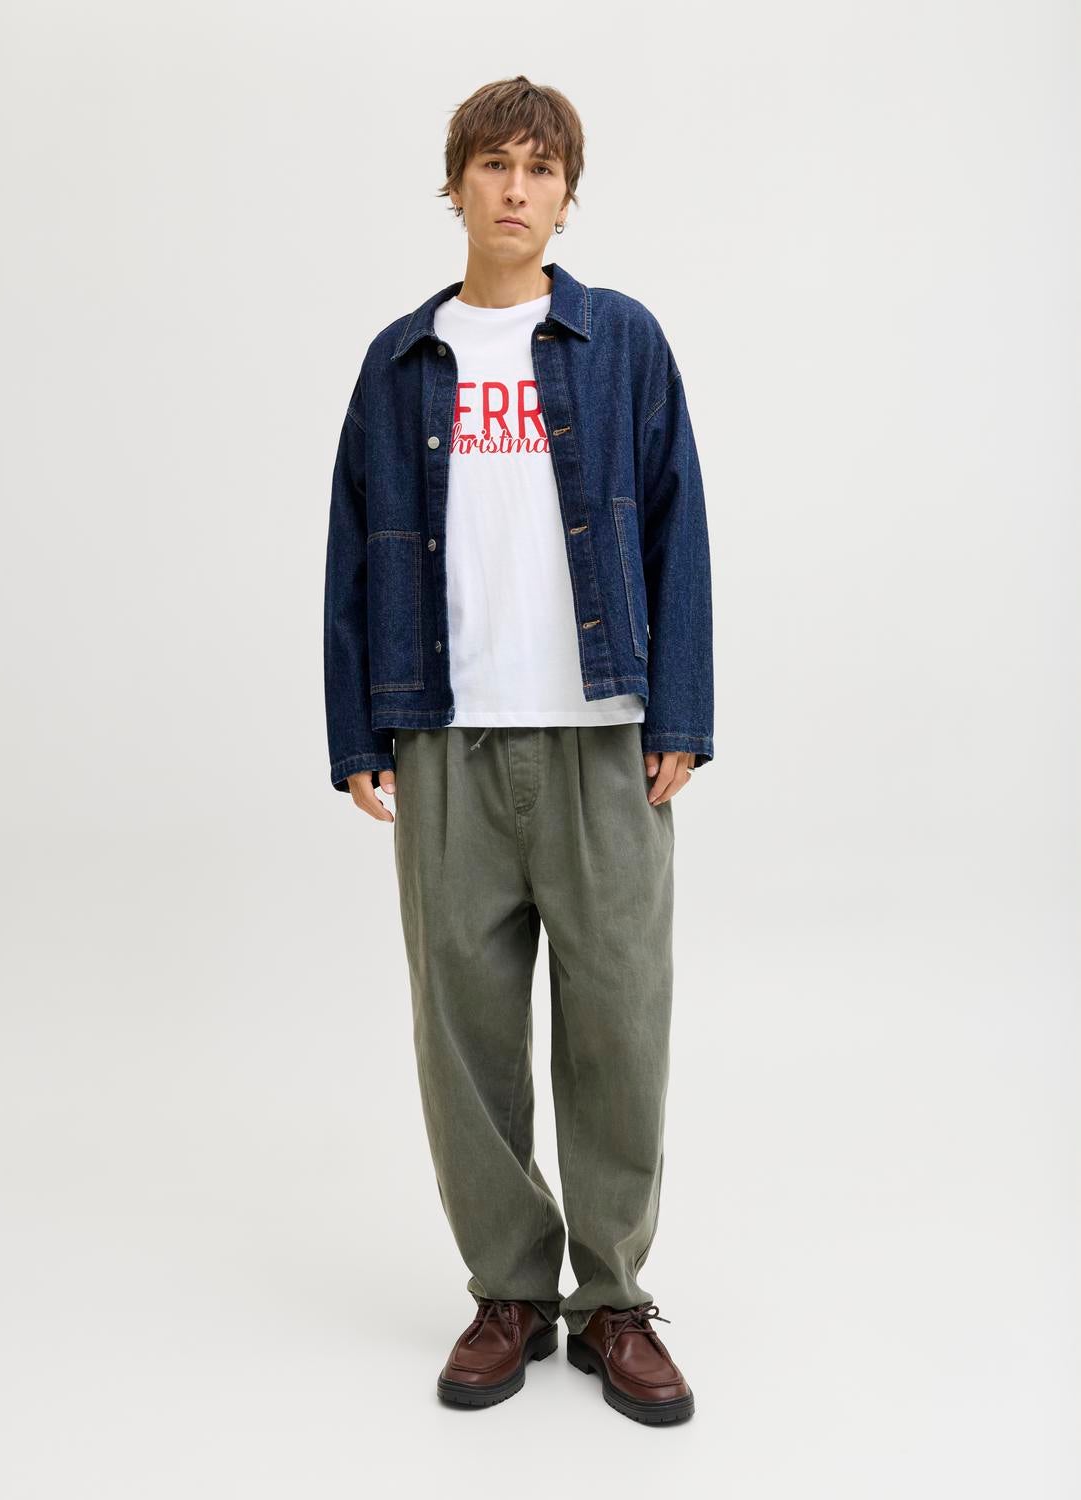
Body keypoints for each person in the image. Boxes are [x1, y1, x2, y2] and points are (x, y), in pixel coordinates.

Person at [323, 75, 713, 1426]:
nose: (514, 188)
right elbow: (351, 544)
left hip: (606, 741)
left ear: (566, 195)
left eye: (540, 169)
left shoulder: (620, 342)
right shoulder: (401, 361)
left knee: (619, 1024)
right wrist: (355, 729)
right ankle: (507, 1290)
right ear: (455, 186)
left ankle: (611, 1299)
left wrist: (679, 715)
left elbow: (675, 521)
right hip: (445, 736)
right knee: (464, 1032)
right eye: (493, 164)